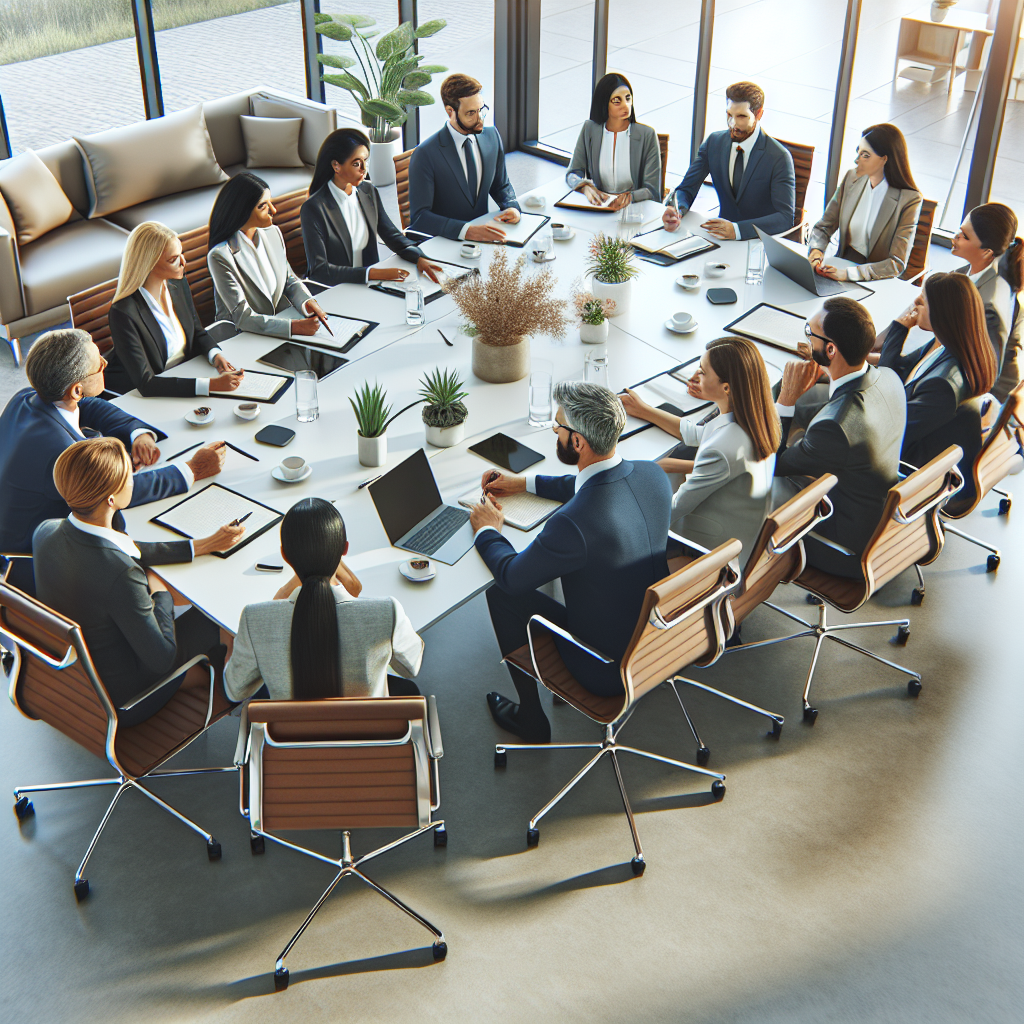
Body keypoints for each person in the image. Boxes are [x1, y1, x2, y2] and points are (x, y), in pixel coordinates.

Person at [469, 382, 672, 743]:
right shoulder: (652, 475)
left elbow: (513, 577)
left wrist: (488, 530)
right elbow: (595, 483)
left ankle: (531, 719)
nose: (555, 431)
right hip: (657, 639)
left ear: (577, 442)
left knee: (501, 594)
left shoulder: (573, 523)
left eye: (559, 427)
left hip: (605, 668)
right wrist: (524, 482)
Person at [0, 329, 226, 591]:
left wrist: (136, 432)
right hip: (31, 565)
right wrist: (192, 470)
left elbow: (88, 405)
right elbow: (122, 491)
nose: (105, 364)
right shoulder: (64, 453)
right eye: (99, 364)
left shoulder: (25, 398)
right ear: (77, 388)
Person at [33, 439, 239, 726]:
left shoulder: (46, 533)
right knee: (217, 611)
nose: (134, 479)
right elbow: (162, 658)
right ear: (111, 499)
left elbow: (123, 547)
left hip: (80, 679)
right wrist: (160, 590)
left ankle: (200, 677)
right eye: (130, 475)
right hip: (127, 700)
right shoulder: (121, 575)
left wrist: (197, 546)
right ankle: (232, 691)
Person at [224, 498, 423, 702]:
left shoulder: (255, 620)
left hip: (290, 733)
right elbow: (411, 666)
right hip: (368, 731)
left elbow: (235, 690)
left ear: (285, 555)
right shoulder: (387, 612)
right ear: (344, 549)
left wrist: (233, 646)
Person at [773, 297, 906, 577]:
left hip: (842, 547)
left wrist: (785, 399)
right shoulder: (889, 378)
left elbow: (774, 463)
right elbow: (833, 413)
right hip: (882, 522)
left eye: (810, 334)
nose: (807, 341)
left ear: (830, 349)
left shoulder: (835, 427)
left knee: (755, 491)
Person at [621, 337, 780, 563]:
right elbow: (697, 434)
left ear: (726, 387)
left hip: (714, 547)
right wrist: (645, 410)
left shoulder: (724, 446)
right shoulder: (759, 417)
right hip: (745, 526)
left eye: (703, 372)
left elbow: (674, 509)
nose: (694, 377)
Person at [106, 221, 244, 398]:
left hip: (182, 376)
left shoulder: (176, 284)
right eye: (173, 259)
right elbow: (146, 384)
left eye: (181, 254)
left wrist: (215, 355)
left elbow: (195, 331)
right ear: (148, 264)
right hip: (141, 395)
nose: (183, 263)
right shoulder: (124, 313)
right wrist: (210, 385)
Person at [878, 273, 996, 472]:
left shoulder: (943, 385)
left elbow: (890, 432)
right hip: (907, 442)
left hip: (905, 470)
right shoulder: (945, 346)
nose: (916, 301)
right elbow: (903, 367)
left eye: (924, 299)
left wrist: (898, 328)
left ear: (943, 313)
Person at [301, 128, 444, 288]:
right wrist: (373, 273)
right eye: (356, 163)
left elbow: (392, 235)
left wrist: (419, 258)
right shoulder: (314, 208)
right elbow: (320, 271)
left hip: (369, 286)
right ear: (336, 166)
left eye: (366, 160)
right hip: (335, 290)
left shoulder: (368, 192)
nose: (364, 168)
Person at [662, 81, 794, 241]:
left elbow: (785, 218)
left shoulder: (778, 157)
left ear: (759, 114)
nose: (733, 124)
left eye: (741, 117)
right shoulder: (714, 143)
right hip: (720, 240)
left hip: (758, 244)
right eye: (729, 115)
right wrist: (676, 210)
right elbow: (686, 189)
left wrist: (737, 230)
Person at [207, 172, 330, 339]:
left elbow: (289, 280)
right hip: (244, 338)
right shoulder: (220, 256)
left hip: (281, 329)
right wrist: (294, 328)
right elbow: (243, 317)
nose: (273, 210)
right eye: (262, 206)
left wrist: (308, 302)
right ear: (241, 211)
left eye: (270, 203)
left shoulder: (273, 233)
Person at [407, 73, 522, 242]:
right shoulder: (425, 154)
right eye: (470, 113)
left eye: (481, 110)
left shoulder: (492, 136)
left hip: (484, 242)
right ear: (450, 112)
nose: (479, 119)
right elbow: (419, 218)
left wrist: (512, 206)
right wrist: (467, 231)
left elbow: (501, 185)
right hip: (445, 244)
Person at [807, 124, 922, 283]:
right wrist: (816, 252)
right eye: (858, 153)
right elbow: (824, 227)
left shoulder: (909, 200)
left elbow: (896, 263)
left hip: (876, 279)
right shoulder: (851, 178)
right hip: (839, 265)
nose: (857, 160)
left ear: (884, 159)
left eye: (865, 155)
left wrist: (849, 274)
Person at [951, 202, 1022, 401]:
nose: (955, 237)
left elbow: (982, 374)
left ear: (987, 252)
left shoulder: (992, 303)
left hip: (987, 397)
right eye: (959, 230)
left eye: (964, 236)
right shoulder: (960, 275)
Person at [565, 73, 662, 209]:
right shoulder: (590, 130)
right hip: (600, 206)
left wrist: (629, 197)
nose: (625, 105)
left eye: (628, 99)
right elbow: (572, 174)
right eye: (617, 101)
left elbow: (652, 190)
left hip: (634, 211)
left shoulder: (647, 135)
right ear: (604, 103)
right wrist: (585, 187)